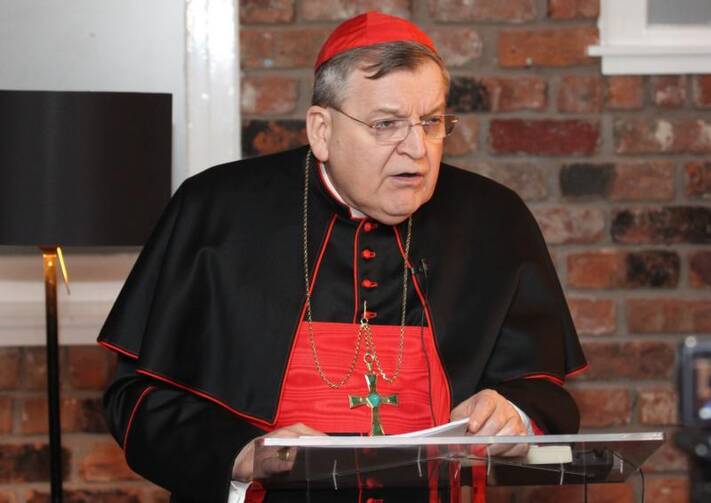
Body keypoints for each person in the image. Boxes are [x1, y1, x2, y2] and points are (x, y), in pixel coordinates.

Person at [99, 11, 586, 503]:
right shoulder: (214, 211)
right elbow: (136, 400)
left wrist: (513, 414)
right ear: (322, 130)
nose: (417, 149)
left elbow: (542, 389)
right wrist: (240, 454)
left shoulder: (494, 219)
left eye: (432, 122)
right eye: (386, 124)